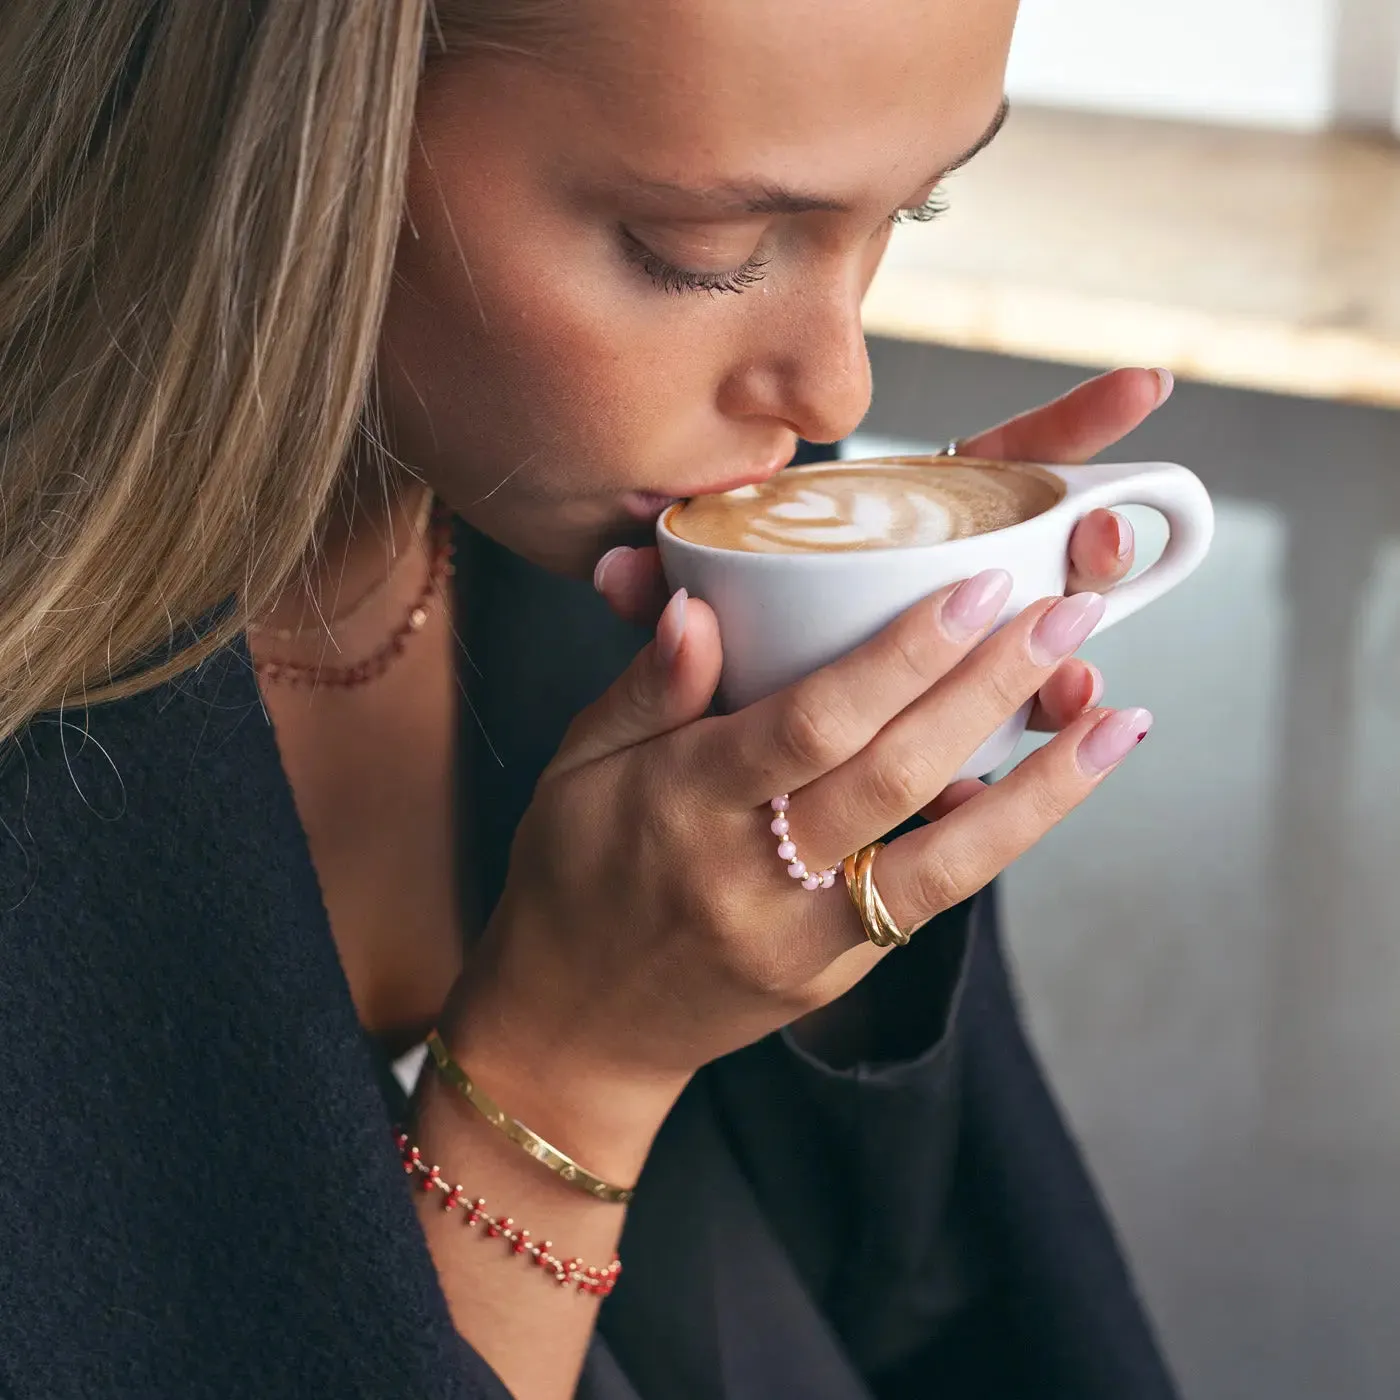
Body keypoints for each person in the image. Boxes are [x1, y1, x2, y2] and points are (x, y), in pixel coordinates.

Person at [0, 2, 1181, 1397]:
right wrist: (570, 1069)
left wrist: (851, 851)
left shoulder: (651, 524)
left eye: (905, 216)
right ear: (294, 134)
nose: (831, 388)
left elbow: (924, 1297)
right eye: (708, 254)